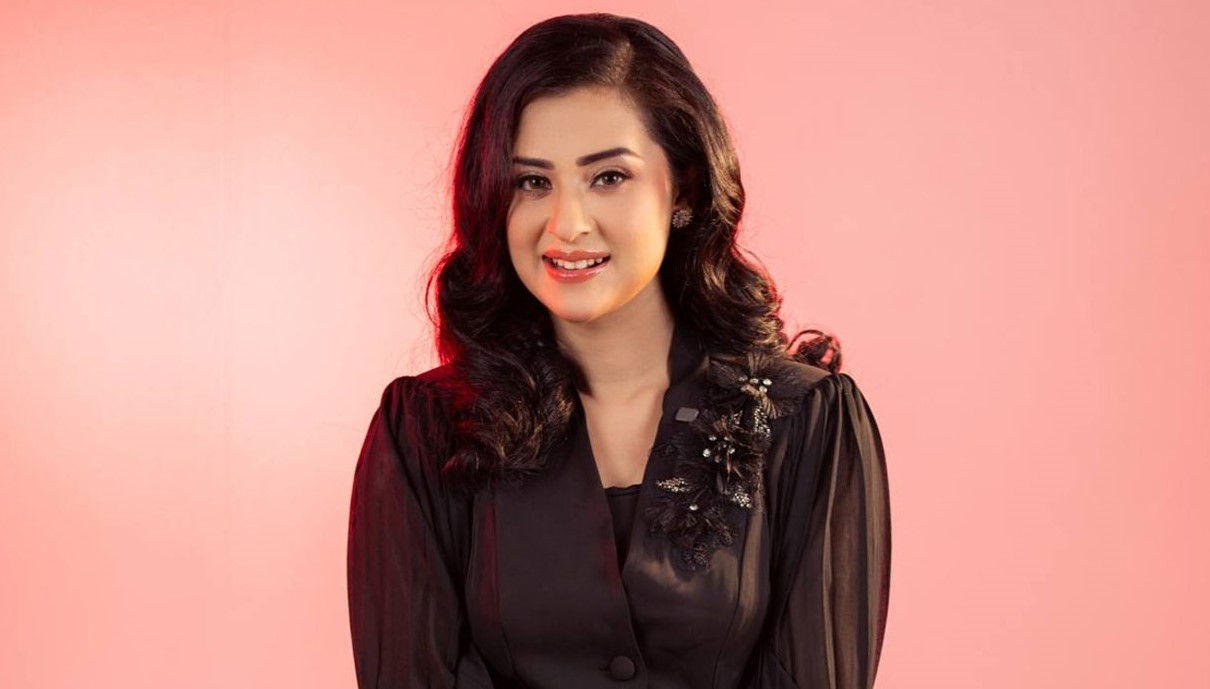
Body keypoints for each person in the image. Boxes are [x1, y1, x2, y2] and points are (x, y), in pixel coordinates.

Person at [347, 12, 891, 689]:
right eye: (532, 182)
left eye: (608, 177)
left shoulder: (806, 420)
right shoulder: (425, 433)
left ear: (683, 187)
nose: (567, 224)